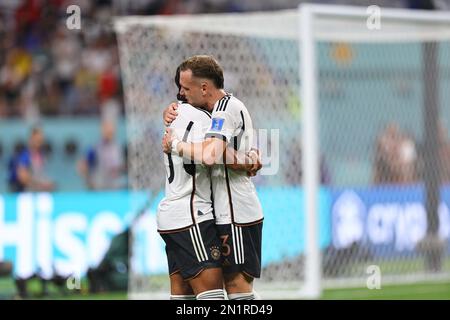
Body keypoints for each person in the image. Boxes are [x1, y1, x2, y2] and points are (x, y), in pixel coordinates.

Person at [162, 55, 264, 300]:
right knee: (206, 290)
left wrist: (176, 144)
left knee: (237, 289)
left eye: (185, 88)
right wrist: (249, 159)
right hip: (215, 212)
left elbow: (210, 155)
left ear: (204, 87)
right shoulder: (200, 115)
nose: (180, 95)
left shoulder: (225, 109)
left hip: (236, 211)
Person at [77, 120, 125, 190]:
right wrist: (88, 181)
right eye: (107, 131)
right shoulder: (95, 148)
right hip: (99, 187)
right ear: (102, 131)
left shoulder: (117, 147)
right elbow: (83, 166)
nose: (109, 133)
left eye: (111, 131)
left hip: (114, 187)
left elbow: (120, 166)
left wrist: (119, 170)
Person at [7, 126, 55, 192]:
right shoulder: (24, 155)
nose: (40, 143)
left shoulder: (41, 155)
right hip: (20, 193)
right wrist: (41, 185)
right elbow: (22, 177)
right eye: (38, 140)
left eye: (41, 140)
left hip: (33, 191)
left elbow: (39, 175)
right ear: (31, 139)